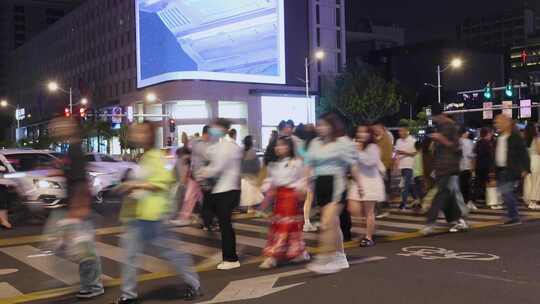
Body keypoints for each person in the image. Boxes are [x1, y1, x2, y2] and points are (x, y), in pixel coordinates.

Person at [114, 122, 201, 304]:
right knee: (131, 254)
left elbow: (163, 181)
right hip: (139, 216)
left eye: (141, 132)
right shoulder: (144, 156)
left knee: (172, 252)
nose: (136, 135)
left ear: (150, 136)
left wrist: (134, 184)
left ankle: (194, 284)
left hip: (153, 217)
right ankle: (128, 295)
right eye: (135, 132)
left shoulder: (155, 156)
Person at [48, 117, 104, 299]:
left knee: (85, 248)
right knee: (82, 247)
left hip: (78, 207)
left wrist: (78, 209)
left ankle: (94, 286)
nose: (56, 128)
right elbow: (75, 175)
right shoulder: (71, 149)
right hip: (74, 205)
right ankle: (89, 284)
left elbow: (80, 181)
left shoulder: (75, 150)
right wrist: (60, 170)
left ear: (71, 129)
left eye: (60, 125)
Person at [305, 113, 361, 274]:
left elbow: (353, 165)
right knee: (334, 224)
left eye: (324, 125)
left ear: (332, 126)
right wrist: (306, 182)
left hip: (337, 184)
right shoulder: (315, 143)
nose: (320, 128)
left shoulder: (343, 142)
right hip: (320, 185)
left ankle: (324, 258)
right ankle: (340, 257)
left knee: (327, 223)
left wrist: (360, 187)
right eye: (319, 125)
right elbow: (308, 164)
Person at [197, 118, 243, 270]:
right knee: (223, 224)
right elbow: (208, 156)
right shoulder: (218, 146)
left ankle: (231, 258)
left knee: (225, 225)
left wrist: (202, 173)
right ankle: (229, 257)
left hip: (227, 190)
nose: (212, 130)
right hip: (222, 189)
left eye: (215, 128)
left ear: (223, 129)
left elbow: (216, 168)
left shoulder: (227, 146)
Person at [259, 136, 310, 269]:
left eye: (282, 145)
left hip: (290, 197)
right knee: (283, 225)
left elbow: (302, 179)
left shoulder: (296, 162)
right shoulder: (273, 165)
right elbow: (270, 181)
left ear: (289, 147)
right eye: (277, 145)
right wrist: (265, 189)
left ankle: (273, 256)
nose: (279, 148)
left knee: (284, 226)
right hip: (279, 198)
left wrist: (301, 189)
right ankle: (299, 252)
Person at [421, 113, 469, 234]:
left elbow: (457, 148)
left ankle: (430, 223)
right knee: (447, 194)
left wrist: (442, 140)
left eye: (436, 117)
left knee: (441, 194)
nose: (435, 119)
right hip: (441, 168)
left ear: (442, 115)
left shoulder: (450, 127)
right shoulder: (442, 127)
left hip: (448, 167)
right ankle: (459, 220)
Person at [347, 125, 385, 247]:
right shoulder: (354, 146)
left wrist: (358, 151)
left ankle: (368, 237)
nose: (361, 134)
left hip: (371, 181)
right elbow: (352, 164)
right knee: (353, 208)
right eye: (359, 132)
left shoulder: (373, 147)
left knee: (369, 211)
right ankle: (367, 228)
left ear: (370, 135)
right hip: (357, 181)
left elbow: (369, 162)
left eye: (365, 132)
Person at [494, 114, 530, 226]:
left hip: (511, 169)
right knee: (506, 193)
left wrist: (525, 169)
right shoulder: (499, 137)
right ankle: (513, 216)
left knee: (507, 192)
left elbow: (524, 154)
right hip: (500, 169)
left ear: (507, 123)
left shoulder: (515, 137)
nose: (497, 124)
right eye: (496, 122)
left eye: (499, 122)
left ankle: (514, 217)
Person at [191, 125, 216, 231]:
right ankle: (207, 223)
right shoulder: (201, 145)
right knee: (208, 200)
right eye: (210, 135)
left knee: (207, 200)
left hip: (202, 175)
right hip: (204, 177)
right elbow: (209, 156)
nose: (211, 137)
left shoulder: (198, 143)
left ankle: (207, 221)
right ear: (206, 134)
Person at [372, 122, 393, 218]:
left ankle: (380, 210)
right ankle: (378, 210)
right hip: (377, 168)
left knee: (380, 189)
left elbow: (386, 155)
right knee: (379, 189)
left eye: (376, 128)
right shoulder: (377, 139)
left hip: (382, 168)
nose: (374, 130)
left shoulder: (386, 138)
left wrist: (384, 168)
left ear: (381, 128)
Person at [395, 126, 417, 210]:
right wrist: (396, 162)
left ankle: (403, 203)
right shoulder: (398, 141)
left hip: (410, 165)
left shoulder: (413, 141)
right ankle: (416, 199)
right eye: (399, 131)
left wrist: (404, 152)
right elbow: (396, 152)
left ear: (407, 131)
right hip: (402, 166)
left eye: (402, 131)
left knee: (405, 185)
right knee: (409, 185)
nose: (400, 133)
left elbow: (415, 153)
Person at [240, 135, 262, 213]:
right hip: (251, 177)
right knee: (251, 194)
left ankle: (247, 208)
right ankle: (250, 208)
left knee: (246, 194)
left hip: (243, 177)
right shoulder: (252, 152)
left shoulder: (242, 151)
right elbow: (256, 166)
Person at [473, 127, 495, 205]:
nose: (491, 135)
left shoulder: (478, 143)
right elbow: (490, 156)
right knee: (486, 182)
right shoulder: (487, 144)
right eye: (490, 134)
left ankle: (478, 198)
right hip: (485, 166)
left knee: (479, 182)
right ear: (487, 134)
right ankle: (485, 198)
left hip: (479, 166)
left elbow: (475, 154)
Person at [523, 123, 540, 210]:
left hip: (528, 161)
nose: (538, 128)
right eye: (536, 127)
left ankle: (529, 200)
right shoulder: (536, 139)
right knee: (536, 182)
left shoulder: (525, 140)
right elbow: (539, 151)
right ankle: (533, 202)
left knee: (529, 181)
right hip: (536, 160)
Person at [459, 127, 477, 210]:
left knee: (461, 186)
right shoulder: (469, 142)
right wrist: (473, 167)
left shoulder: (456, 141)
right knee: (468, 186)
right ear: (465, 133)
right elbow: (471, 155)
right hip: (467, 167)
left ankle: (462, 203)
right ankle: (468, 202)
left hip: (458, 168)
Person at [411, 141, 425, 209]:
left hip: (416, 176)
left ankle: (418, 202)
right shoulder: (422, 156)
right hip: (421, 175)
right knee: (421, 190)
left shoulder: (415, 156)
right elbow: (423, 166)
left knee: (418, 190)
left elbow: (413, 167)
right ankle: (418, 203)